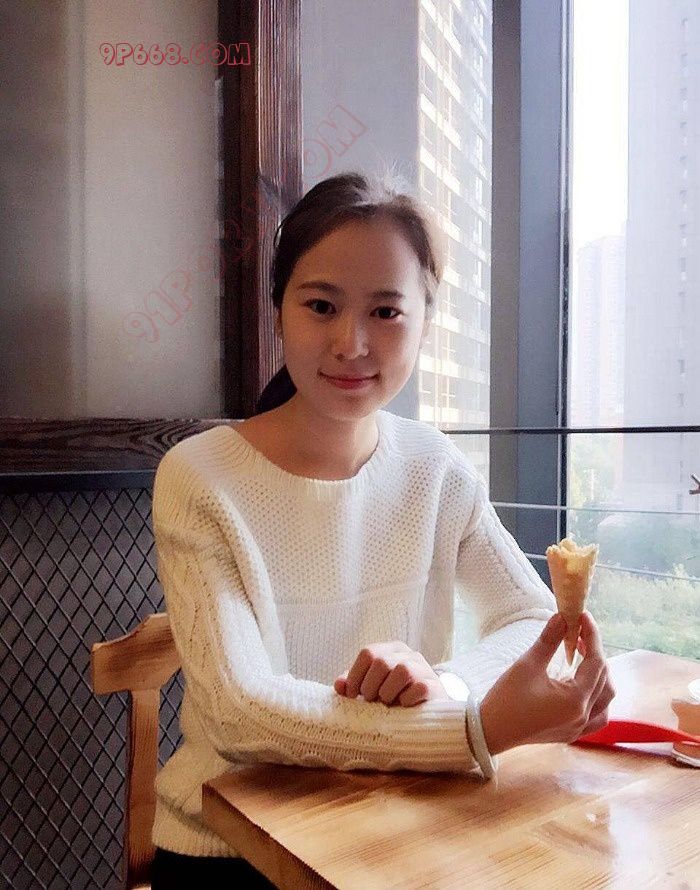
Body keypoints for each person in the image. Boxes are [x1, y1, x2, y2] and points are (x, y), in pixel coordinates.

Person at [149, 171, 615, 887]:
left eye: (387, 312)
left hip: (398, 824)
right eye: (321, 305)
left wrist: (442, 684)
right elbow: (239, 715)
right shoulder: (199, 476)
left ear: (425, 321)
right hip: (232, 848)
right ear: (279, 312)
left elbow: (528, 615)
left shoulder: (435, 467)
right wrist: (471, 729)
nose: (351, 343)